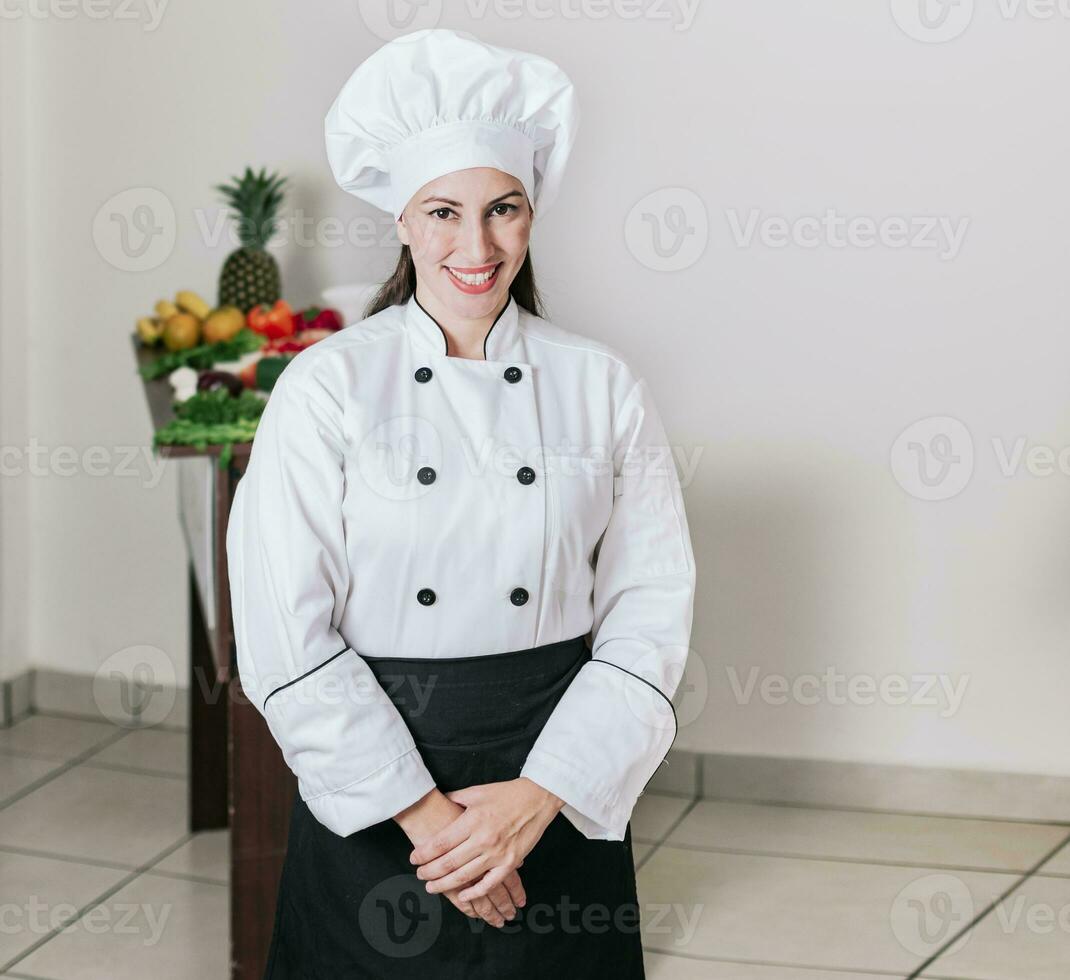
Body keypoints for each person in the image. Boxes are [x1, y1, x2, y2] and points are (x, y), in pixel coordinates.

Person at [225, 26, 697, 979]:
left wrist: (535, 800)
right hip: (378, 781)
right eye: (443, 211)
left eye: (503, 211)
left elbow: (650, 613)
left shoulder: (602, 385)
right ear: (401, 219)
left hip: (553, 774)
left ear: (532, 216)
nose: (475, 247)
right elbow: (286, 635)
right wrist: (435, 824)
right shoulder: (327, 388)